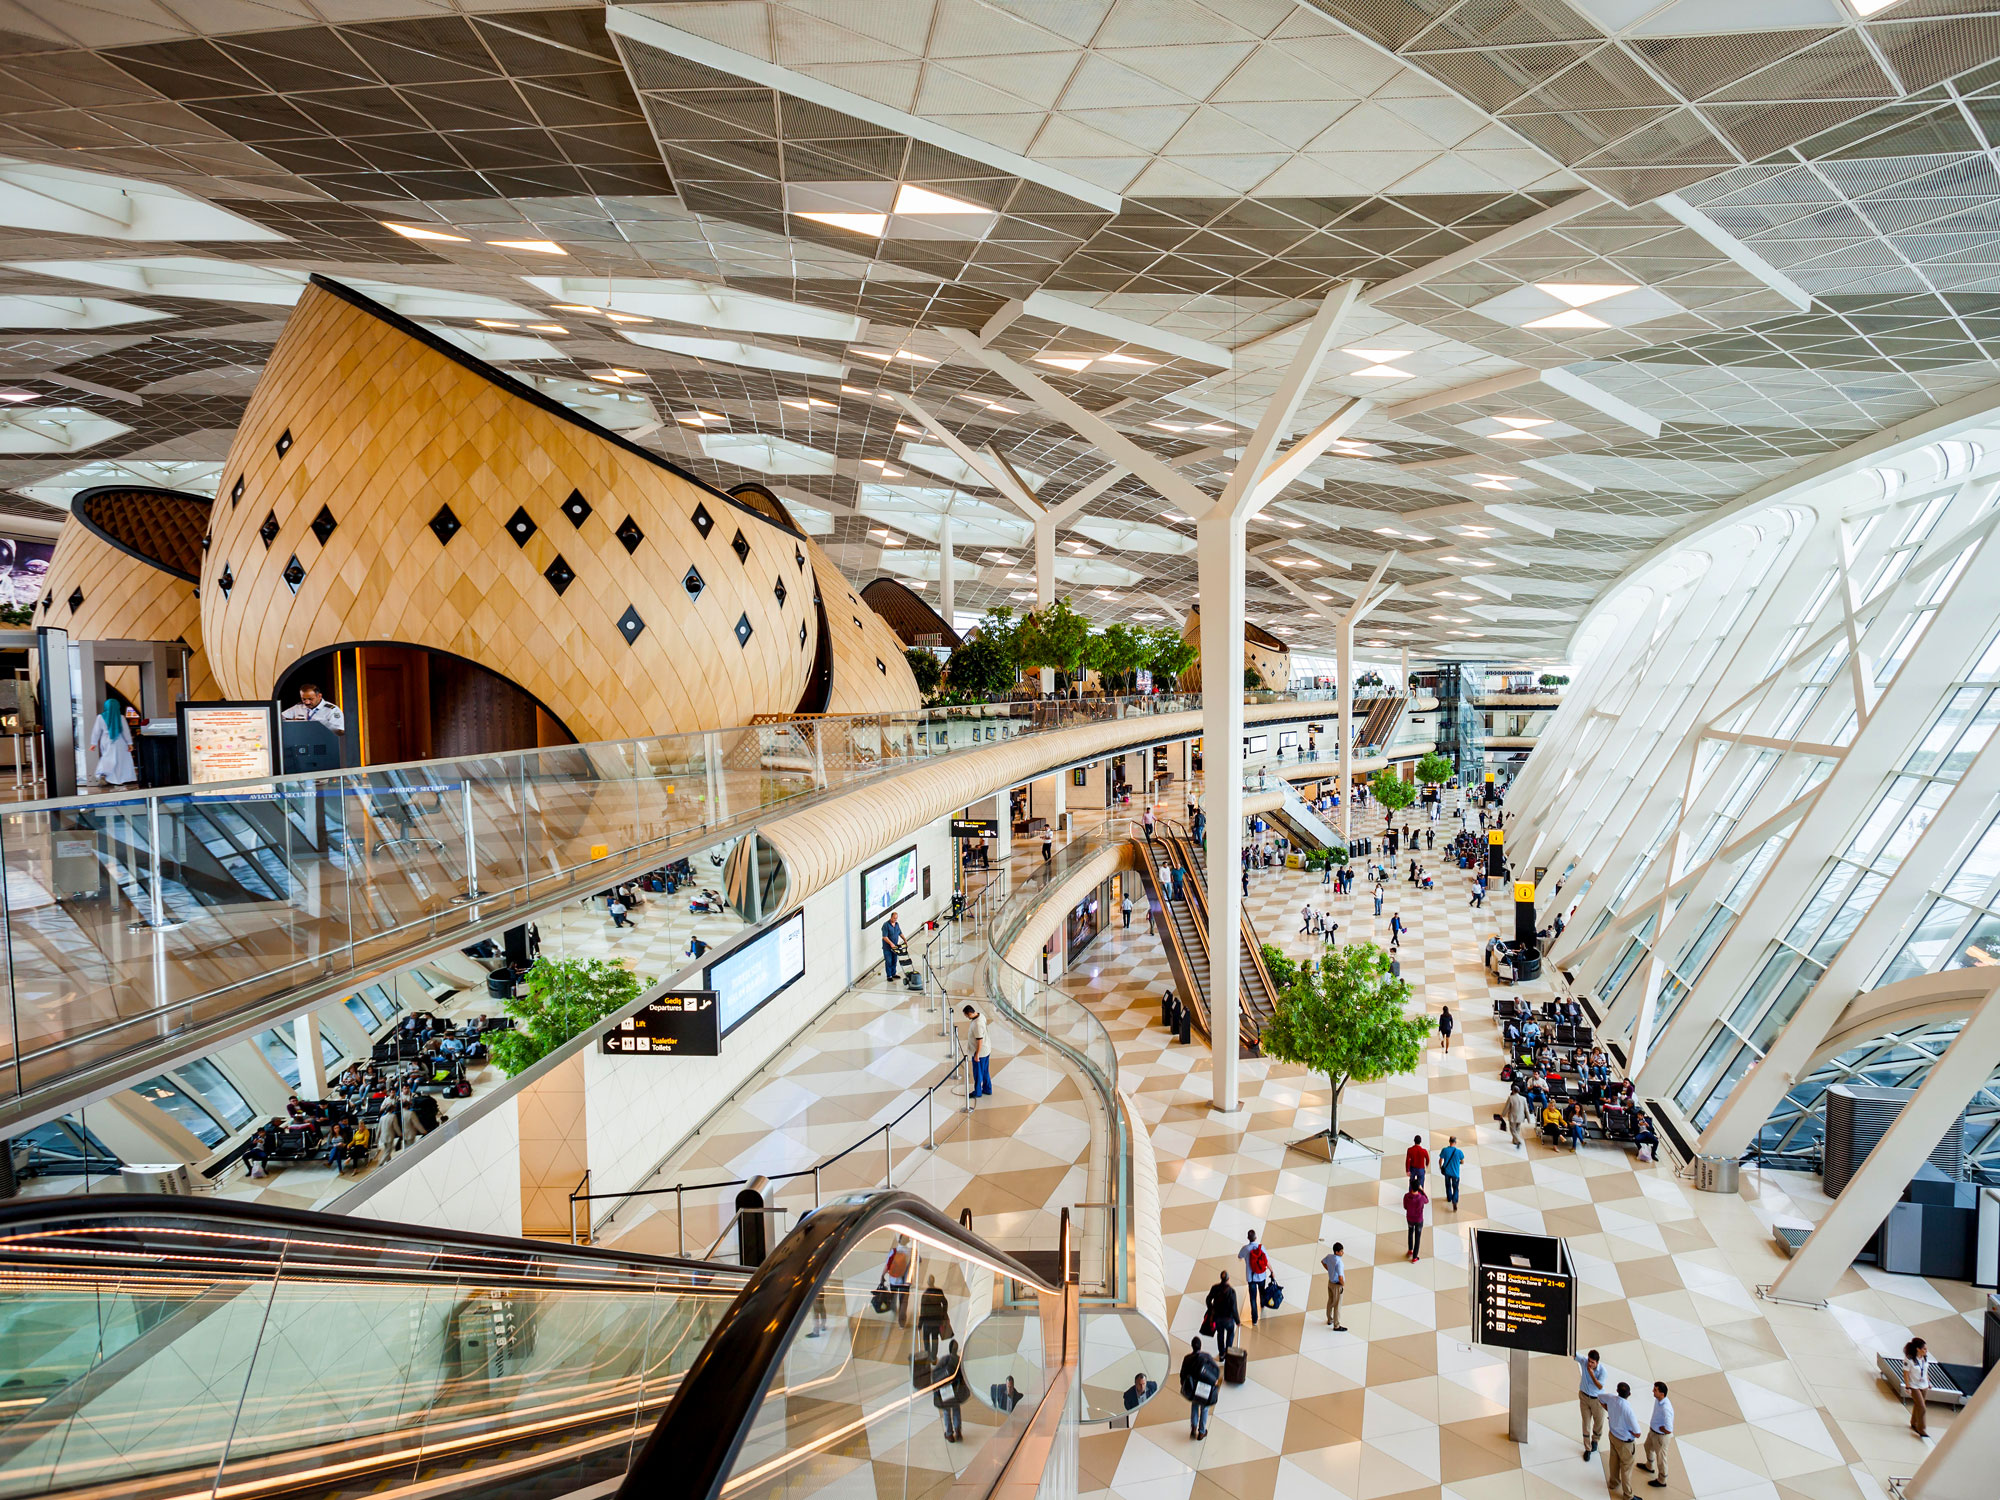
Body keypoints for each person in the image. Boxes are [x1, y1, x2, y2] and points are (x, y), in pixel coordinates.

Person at [1603, 1380, 1642, 1499]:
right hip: (1625, 1443)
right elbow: (1638, 1433)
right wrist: (1630, 1431)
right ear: (1629, 1394)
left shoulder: (1611, 1399)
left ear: (1617, 1391)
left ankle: (1613, 1482)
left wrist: (1609, 1410)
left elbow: (1600, 1398)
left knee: (1613, 1460)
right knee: (1626, 1468)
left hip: (1613, 1435)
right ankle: (1628, 1495)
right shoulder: (1628, 1410)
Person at [87, 698, 136, 787]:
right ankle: (117, 779)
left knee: (107, 757)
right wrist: (129, 743)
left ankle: (104, 774)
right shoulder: (120, 717)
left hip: (105, 740)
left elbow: (96, 731)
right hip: (120, 741)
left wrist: (93, 743)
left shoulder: (100, 717)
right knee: (119, 761)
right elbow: (125, 731)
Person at [1180, 1337, 1220, 1439]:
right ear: (1200, 1346)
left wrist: (1183, 1384)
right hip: (1205, 1388)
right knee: (1204, 1409)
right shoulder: (1206, 1357)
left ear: (1192, 1346)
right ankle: (1202, 1432)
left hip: (1194, 1388)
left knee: (1194, 1405)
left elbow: (1183, 1374)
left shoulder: (1187, 1358)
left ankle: (1193, 1427)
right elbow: (1215, 1371)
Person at [1575, 1349, 1610, 1458]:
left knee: (1598, 1422)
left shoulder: (1603, 1372)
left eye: (1592, 1362)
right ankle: (1587, 1448)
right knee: (1586, 1423)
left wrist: (1591, 1374)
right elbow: (1574, 1354)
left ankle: (1595, 1440)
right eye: (1589, 1361)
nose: (1589, 1364)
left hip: (1597, 1400)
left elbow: (1600, 1386)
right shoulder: (1584, 1361)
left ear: (1597, 1362)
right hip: (1584, 1398)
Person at [934, 1337, 969, 1441]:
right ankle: (958, 1431)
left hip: (946, 1390)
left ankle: (949, 1434)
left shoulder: (944, 1359)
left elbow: (936, 1374)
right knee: (956, 1409)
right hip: (956, 1390)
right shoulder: (959, 1360)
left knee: (946, 1411)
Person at [1641, 1381, 1674, 1488]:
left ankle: (1662, 1480)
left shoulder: (1665, 1408)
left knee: (1661, 1458)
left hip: (1660, 1436)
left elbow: (1669, 1429)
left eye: (1655, 1390)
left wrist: (1662, 1429)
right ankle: (1649, 1466)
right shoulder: (1658, 1400)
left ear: (1662, 1394)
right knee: (1647, 1447)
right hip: (1653, 1432)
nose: (1653, 1391)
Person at [282, 681, 346, 731]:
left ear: (319, 696)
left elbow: (339, 731)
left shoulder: (332, 710)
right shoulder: (298, 707)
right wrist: (292, 721)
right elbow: (279, 718)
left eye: (310, 699)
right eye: (304, 699)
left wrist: (320, 726)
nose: (307, 702)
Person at [1238, 1230, 1271, 1326]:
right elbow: (1267, 1261)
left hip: (1251, 1278)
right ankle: (1262, 1304)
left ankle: (1255, 1320)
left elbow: (1239, 1256)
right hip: (1261, 1276)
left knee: (1252, 1298)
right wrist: (1272, 1271)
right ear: (1256, 1237)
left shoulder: (1245, 1248)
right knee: (1262, 1291)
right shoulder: (1261, 1247)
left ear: (1248, 1238)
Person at [961, 1004, 992, 1097]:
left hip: (980, 1052)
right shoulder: (981, 1015)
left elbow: (979, 1040)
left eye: (966, 1015)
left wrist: (977, 1054)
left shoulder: (977, 1024)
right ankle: (987, 1089)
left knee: (978, 1073)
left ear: (970, 1013)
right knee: (985, 1070)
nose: (966, 1017)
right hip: (987, 1049)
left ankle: (978, 1092)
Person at [1204, 1271, 1240, 1352]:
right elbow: (1234, 1308)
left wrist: (1211, 1308)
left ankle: (1221, 1353)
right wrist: (1237, 1321)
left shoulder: (1215, 1288)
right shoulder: (1231, 1292)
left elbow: (1208, 1300)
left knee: (1220, 1334)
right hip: (1229, 1319)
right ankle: (1228, 1351)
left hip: (1218, 1317)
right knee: (1230, 1334)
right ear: (1228, 1279)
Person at [918, 1275, 951, 1361]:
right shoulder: (939, 1291)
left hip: (927, 1322)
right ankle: (933, 1357)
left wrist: (920, 1324)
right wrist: (943, 1313)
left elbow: (923, 1311)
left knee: (926, 1339)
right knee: (935, 1338)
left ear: (928, 1283)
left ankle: (927, 1355)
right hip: (937, 1321)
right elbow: (945, 1302)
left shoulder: (925, 1294)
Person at [1904, 1336, 1932, 1437]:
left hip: (1924, 1385)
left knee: (1918, 1405)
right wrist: (1907, 1386)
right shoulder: (1909, 1359)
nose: (1926, 1350)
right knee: (1922, 1407)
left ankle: (1913, 1422)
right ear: (1918, 1349)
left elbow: (1925, 1371)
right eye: (1924, 1349)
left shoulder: (1925, 1358)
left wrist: (1928, 1382)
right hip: (1914, 1386)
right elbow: (1906, 1373)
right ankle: (1922, 1429)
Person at [1321, 1241, 1346, 1330]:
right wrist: (1342, 1284)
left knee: (1330, 1301)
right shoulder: (1339, 1263)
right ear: (1337, 1252)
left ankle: (1329, 1319)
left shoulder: (1329, 1257)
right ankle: (1336, 1325)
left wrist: (1329, 1270)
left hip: (1330, 1282)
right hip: (1337, 1285)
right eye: (1341, 1251)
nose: (1343, 1252)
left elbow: (1322, 1262)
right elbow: (1340, 1277)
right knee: (1337, 1305)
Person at [1402, 1182, 1427, 1261]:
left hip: (1410, 1219)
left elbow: (1405, 1207)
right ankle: (1415, 1257)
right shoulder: (1421, 1197)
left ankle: (1410, 1250)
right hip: (1419, 1220)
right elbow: (1427, 1200)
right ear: (1418, 1188)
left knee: (1410, 1233)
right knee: (1417, 1237)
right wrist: (1422, 1191)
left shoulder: (1406, 1196)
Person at [1439, 1135, 1463, 1210]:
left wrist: (1440, 1167)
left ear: (1449, 1141)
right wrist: (1458, 1162)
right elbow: (1462, 1161)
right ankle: (1454, 1201)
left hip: (1447, 1172)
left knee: (1448, 1185)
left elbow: (1440, 1160)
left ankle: (1449, 1198)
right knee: (1455, 1188)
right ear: (1455, 1142)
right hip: (1455, 1173)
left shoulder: (1444, 1150)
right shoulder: (1459, 1152)